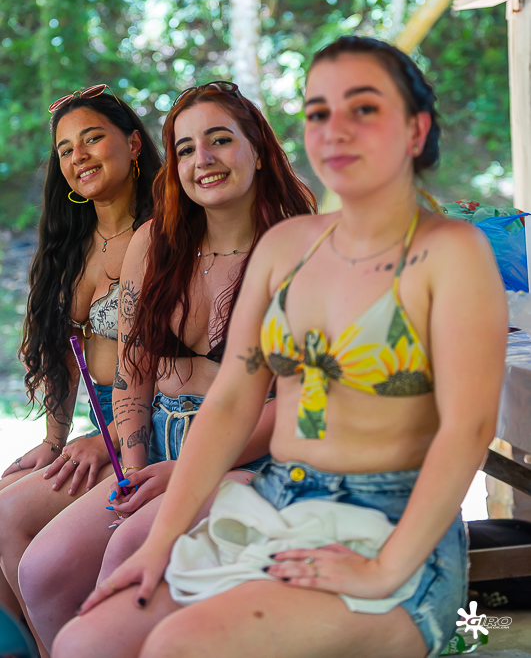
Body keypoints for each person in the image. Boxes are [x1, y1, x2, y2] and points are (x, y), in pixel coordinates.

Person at [52, 37, 507, 658]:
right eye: (319, 112)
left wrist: (386, 568)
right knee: (86, 642)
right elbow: (232, 401)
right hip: (276, 502)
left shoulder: (451, 253)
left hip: (389, 528)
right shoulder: (287, 248)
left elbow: (469, 428)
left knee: (177, 646)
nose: (336, 129)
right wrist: (158, 541)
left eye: (364, 108)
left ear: (415, 129)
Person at [18, 81, 317, 653]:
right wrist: (133, 470)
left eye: (220, 140)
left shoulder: (299, 252)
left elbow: (300, 404)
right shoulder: (156, 243)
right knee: (44, 570)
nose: (203, 159)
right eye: (185, 148)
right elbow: (133, 371)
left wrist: (185, 471)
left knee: (123, 558)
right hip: (155, 442)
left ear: (258, 149)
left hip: (252, 456)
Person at [0, 86, 160, 650]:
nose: (79, 156)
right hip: (102, 426)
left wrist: (110, 436)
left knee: (9, 519)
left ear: (133, 144)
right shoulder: (70, 245)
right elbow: (63, 357)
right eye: (66, 149)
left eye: (92, 138)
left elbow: (176, 365)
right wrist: (55, 439)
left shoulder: (166, 233)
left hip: (153, 426)